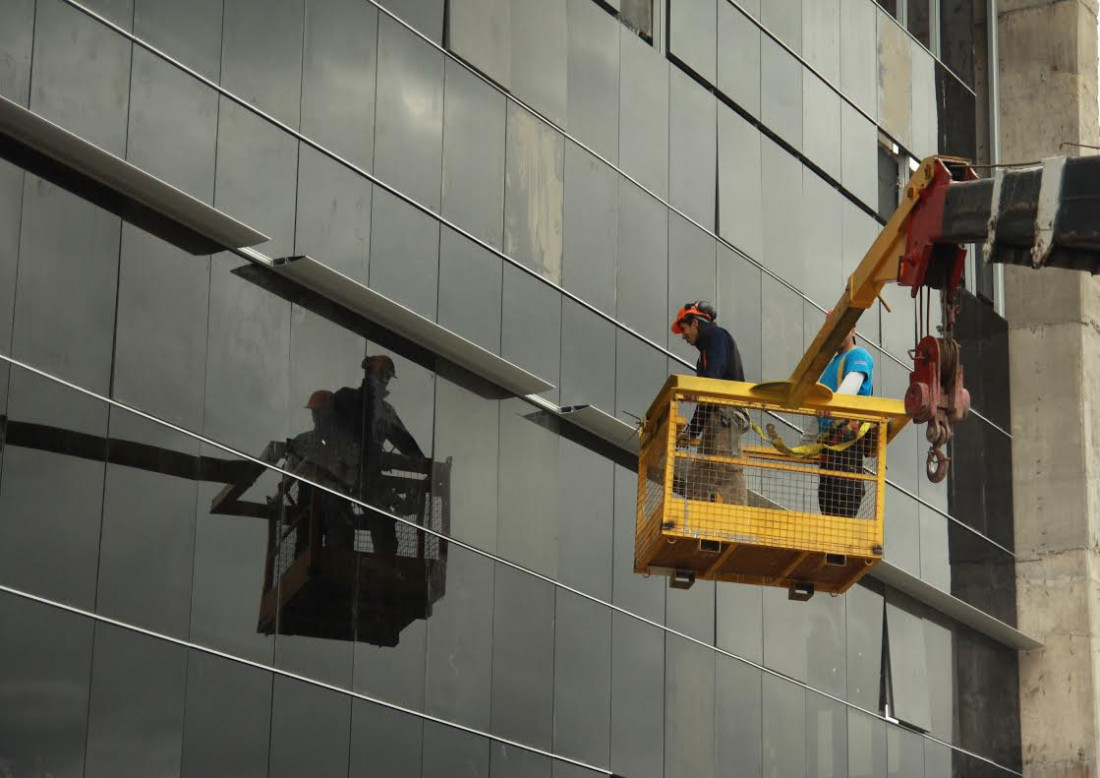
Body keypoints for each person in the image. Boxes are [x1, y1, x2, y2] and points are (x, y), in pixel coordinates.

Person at [330, 355, 425, 555]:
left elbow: (406, 442)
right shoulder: (345, 399)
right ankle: (345, 559)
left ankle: (382, 564)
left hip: (365, 477)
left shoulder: (381, 410)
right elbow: (328, 431)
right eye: (384, 376)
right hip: (342, 474)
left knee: (382, 525)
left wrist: (424, 463)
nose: (384, 380)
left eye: (386, 377)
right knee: (340, 518)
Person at [670, 300, 748, 505]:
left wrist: (693, 391)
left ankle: (737, 524)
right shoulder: (705, 353)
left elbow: (711, 381)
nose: (684, 335)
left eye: (684, 329)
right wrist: (692, 431)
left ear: (695, 322)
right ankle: (698, 520)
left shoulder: (717, 337)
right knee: (701, 472)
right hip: (716, 419)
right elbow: (706, 398)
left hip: (725, 418)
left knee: (726, 471)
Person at [816, 318, 875, 518]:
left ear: (853, 329)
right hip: (830, 449)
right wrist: (805, 446)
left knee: (842, 506)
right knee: (828, 508)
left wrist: (833, 407)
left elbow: (852, 384)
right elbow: (817, 411)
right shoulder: (831, 366)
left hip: (846, 445)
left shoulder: (858, 355)